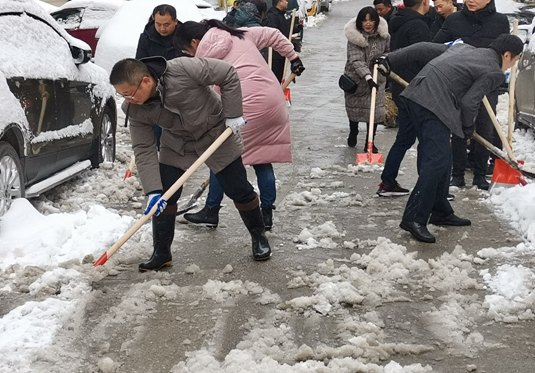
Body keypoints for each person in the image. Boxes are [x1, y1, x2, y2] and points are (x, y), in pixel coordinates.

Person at [109, 57, 273, 270]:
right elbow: (143, 148)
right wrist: (153, 191)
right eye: (122, 95)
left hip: (216, 134)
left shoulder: (184, 70)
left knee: (238, 189)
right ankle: (161, 253)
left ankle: (259, 236)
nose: (127, 100)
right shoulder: (135, 109)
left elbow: (228, 74)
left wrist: (233, 115)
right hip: (177, 142)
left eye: (129, 93)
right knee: (166, 195)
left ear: (146, 81)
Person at [376, 34, 523, 243]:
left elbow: (423, 46)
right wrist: (466, 129)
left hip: (414, 95)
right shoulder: (493, 72)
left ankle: (440, 210)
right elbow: (469, 103)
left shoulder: (464, 49)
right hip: (434, 106)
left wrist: (391, 59)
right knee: (436, 162)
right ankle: (414, 217)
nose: (509, 68)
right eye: (514, 62)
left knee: (440, 160)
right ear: (507, 55)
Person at [174, 19, 304, 230]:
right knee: (263, 158)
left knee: (221, 160)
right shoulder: (238, 33)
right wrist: (293, 57)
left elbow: (206, 96)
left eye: (187, 50)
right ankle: (267, 214)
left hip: (243, 109)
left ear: (195, 41)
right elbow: (273, 33)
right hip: (273, 102)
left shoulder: (202, 60)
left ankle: (211, 210)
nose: (188, 54)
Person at [434, 0, 509, 190]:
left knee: (485, 127)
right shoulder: (454, 20)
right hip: (460, 82)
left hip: (487, 82)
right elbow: (436, 45)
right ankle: (457, 174)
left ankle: (480, 174)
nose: (470, 0)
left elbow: (504, 52)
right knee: (459, 127)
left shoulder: (500, 21)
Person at [375, 0, 429, 196]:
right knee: (427, 139)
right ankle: (429, 188)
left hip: (401, 89)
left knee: (405, 138)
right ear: (425, 2)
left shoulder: (396, 22)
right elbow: (422, 59)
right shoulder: (418, 25)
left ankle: (388, 182)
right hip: (417, 89)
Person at [135, 4, 186, 150]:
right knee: (158, 129)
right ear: (153, 19)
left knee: (181, 131)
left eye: (167, 24)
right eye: (158, 24)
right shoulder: (146, 37)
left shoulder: (184, 36)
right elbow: (140, 64)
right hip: (157, 92)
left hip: (182, 90)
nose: (162, 28)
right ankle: (160, 158)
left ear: (175, 21)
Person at [343, 7, 389, 152]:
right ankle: (353, 131)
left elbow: (388, 52)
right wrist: (367, 77)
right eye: (364, 20)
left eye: (371, 20)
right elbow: (356, 60)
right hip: (357, 79)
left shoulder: (384, 36)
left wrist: (383, 59)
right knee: (355, 110)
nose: (368, 24)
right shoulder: (354, 38)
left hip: (377, 78)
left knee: (374, 111)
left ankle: (370, 141)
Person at [263, 0, 303, 82]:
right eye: (285, 0)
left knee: (280, 78)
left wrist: (295, 28)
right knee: (275, 78)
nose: (287, 2)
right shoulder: (272, 16)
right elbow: (274, 35)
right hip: (274, 55)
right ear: (279, 2)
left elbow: (285, 30)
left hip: (281, 53)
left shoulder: (282, 15)